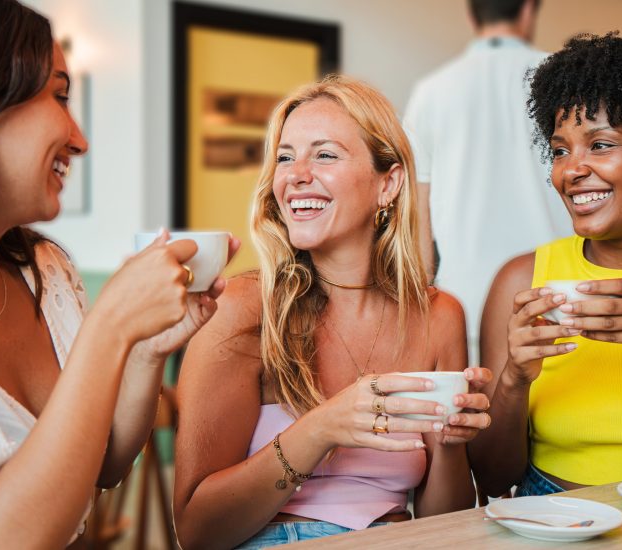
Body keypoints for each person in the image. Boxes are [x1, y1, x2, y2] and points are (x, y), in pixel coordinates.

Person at [0, 1, 238, 547]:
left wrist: (144, 348)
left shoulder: (46, 272)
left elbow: (103, 466)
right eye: (59, 96)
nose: (80, 139)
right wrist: (110, 326)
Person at [172, 75, 493, 549]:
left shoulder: (438, 315)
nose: (295, 174)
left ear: (388, 183)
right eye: (285, 157)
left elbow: (441, 524)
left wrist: (450, 442)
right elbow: (197, 531)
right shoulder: (243, 309)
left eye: (324, 154)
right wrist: (322, 427)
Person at [470, 30, 622, 498]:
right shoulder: (521, 280)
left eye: (601, 144)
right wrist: (513, 380)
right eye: (560, 150)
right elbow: (492, 479)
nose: (570, 170)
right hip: (552, 512)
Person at [403, 0, 570, 361]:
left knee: (479, 414)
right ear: (528, 11)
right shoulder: (560, 81)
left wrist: (422, 307)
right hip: (556, 294)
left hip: (464, 302)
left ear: (471, 15)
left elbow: (418, 217)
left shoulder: (431, 92)